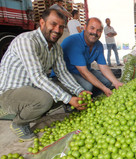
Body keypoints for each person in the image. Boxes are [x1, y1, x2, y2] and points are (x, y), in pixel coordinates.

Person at [0, 9, 91, 141]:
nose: (57, 30)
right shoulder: (27, 41)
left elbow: (63, 73)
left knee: (65, 90)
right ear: (42, 23)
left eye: (61, 27)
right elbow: (37, 77)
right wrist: (68, 99)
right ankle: (19, 123)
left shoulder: (56, 48)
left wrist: (79, 91)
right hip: (10, 93)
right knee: (45, 99)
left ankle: (38, 110)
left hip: (32, 89)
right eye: (53, 24)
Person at [60, 17, 124, 97]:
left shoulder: (98, 45)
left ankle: (93, 97)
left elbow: (103, 66)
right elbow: (84, 73)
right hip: (67, 72)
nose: (95, 32)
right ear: (85, 27)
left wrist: (116, 82)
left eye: (99, 30)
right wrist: (104, 88)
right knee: (88, 87)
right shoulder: (74, 42)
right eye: (92, 28)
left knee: (107, 81)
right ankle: (71, 101)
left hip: (85, 70)